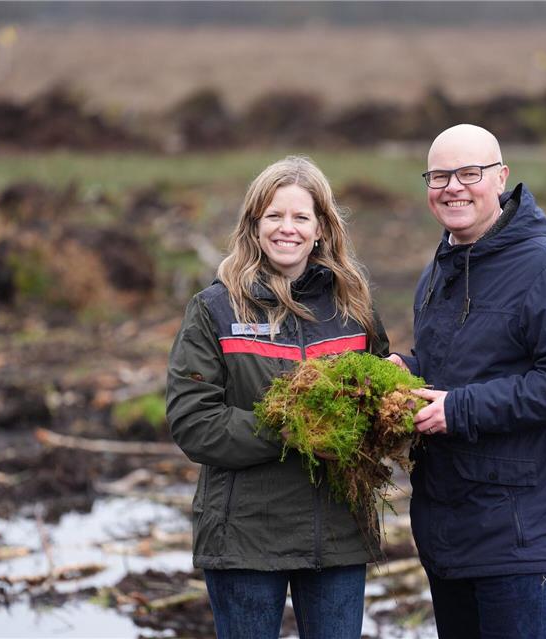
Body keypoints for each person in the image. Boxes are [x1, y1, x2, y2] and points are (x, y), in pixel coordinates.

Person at [387, 124, 546, 638]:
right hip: (448, 531)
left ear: (501, 178)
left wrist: (459, 410)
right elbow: (456, 367)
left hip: (521, 535)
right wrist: (405, 372)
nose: (453, 187)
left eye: (469, 173)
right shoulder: (439, 267)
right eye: (439, 176)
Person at [166, 156, 389, 639]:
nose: (287, 229)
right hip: (244, 538)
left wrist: (394, 393)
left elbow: (375, 399)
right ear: (254, 226)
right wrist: (289, 428)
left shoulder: (353, 307)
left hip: (338, 535)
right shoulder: (216, 309)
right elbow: (193, 423)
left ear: (321, 230)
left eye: (300, 217)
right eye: (274, 216)